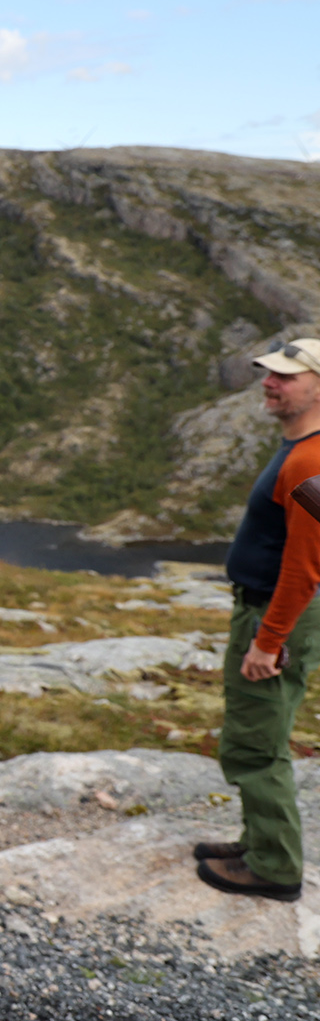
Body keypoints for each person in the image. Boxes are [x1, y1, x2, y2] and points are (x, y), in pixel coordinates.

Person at [201, 337, 320, 902]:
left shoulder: (311, 459)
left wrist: (268, 642)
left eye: (286, 377)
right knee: (258, 731)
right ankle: (257, 841)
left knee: (256, 743)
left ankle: (274, 867)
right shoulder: (301, 448)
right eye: (269, 375)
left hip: (276, 614)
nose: (270, 384)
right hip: (268, 610)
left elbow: (305, 567)